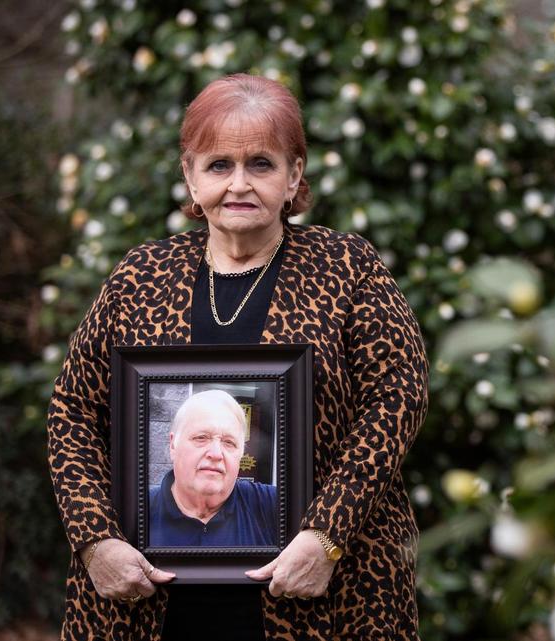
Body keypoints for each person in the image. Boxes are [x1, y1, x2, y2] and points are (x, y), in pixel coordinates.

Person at [46, 73, 429, 640]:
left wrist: (328, 536)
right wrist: (95, 540)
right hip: (149, 604)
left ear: (294, 174)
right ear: (190, 175)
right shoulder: (140, 276)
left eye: (262, 164)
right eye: (219, 165)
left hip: (322, 594)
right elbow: (73, 411)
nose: (239, 184)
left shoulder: (348, 266)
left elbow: (397, 400)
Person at [149, 389, 277, 547]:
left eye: (229, 442)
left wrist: (316, 536)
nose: (216, 454)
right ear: (173, 445)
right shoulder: (134, 513)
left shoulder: (270, 506)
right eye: (201, 438)